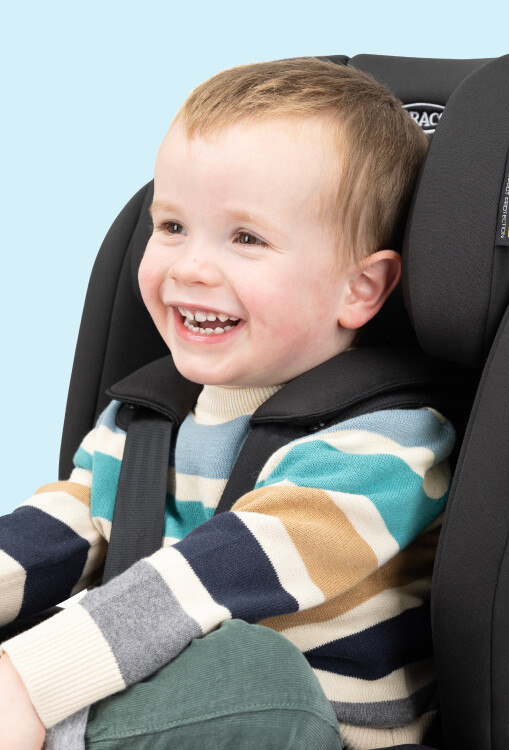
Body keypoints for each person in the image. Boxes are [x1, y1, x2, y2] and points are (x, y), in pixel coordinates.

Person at [0, 58, 455, 750]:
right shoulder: (141, 423)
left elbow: (218, 576)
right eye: (171, 226)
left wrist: (30, 680)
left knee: (250, 661)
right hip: (153, 712)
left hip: (304, 727)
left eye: (246, 238)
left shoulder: (391, 448)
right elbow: (47, 537)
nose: (190, 267)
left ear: (360, 288)